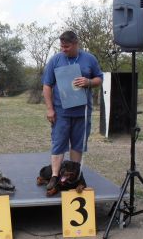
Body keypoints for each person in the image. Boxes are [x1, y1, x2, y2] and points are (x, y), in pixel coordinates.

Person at [42, 31, 103, 193]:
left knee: (77, 145)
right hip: (61, 113)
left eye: (67, 46)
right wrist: (50, 109)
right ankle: (54, 177)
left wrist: (89, 81)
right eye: (61, 46)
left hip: (82, 113)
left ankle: (73, 177)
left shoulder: (89, 59)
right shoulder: (55, 60)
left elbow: (99, 79)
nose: (64, 49)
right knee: (58, 143)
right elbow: (47, 85)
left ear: (76, 44)